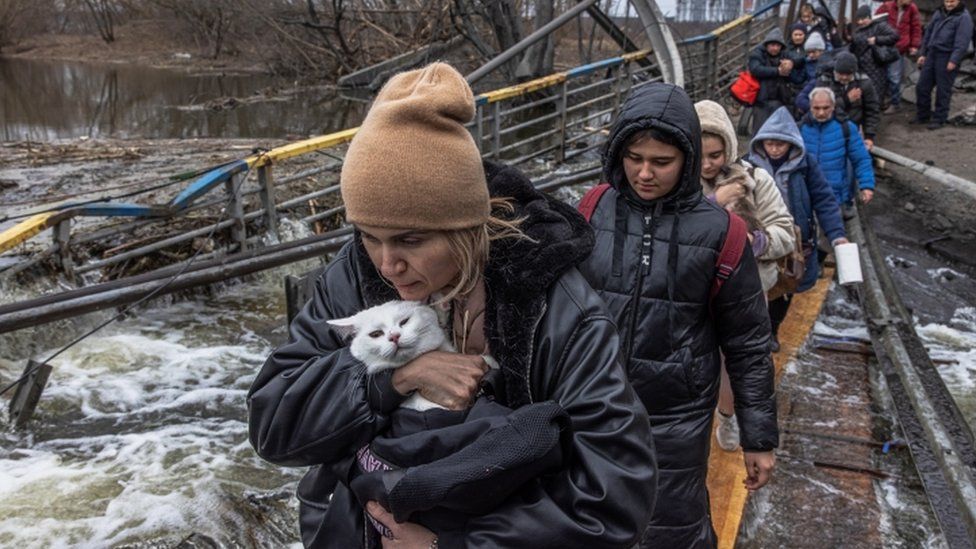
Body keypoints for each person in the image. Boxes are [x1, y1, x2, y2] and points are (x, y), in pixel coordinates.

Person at [247, 63, 657, 549]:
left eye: (410, 240)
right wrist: (393, 379)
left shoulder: (557, 306)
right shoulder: (351, 275)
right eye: (368, 235)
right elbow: (274, 427)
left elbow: (615, 496)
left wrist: (458, 545)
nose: (387, 264)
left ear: (465, 229)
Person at [578, 83, 779, 548]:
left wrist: (758, 438)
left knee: (669, 526)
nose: (644, 173)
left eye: (661, 162)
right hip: (592, 403)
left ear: (687, 158)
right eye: (633, 158)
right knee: (590, 520)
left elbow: (748, 344)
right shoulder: (593, 208)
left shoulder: (721, 232)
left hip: (675, 415)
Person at [695, 99, 796, 452]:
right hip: (693, 290)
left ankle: (727, 415)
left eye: (716, 155)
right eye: (700, 155)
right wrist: (715, 202)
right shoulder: (677, 182)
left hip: (746, 289)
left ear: (730, 149)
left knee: (731, 359)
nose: (707, 165)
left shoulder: (756, 180)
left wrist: (755, 242)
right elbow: (673, 234)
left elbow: (785, 231)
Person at [745, 106, 848, 359]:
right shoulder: (748, 167)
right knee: (757, 286)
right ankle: (754, 332)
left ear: (790, 144)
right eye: (770, 144)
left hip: (794, 240)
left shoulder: (804, 165)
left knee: (786, 285)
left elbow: (823, 199)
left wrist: (837, 234)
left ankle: (772, 330)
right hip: (760, 238)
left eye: (780, 144)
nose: (775, 149)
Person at [800, 87, 876, 206]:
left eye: (826, 108)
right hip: (806, 194)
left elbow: (861, 159)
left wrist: (866, 185)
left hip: (835, 195)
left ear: (833, 106)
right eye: (816, 108)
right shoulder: (800, 128)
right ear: (810, 106)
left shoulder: (846, 128)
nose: (821, 112)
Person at [796, 52, 881, 149]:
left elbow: (872, 109)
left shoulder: (864, 82)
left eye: (848, 74)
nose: (844, 77)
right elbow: (822, 108)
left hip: (854, 127)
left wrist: (869, 136)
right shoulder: (825, 80)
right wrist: (846, 100)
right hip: (829, 128)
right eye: (841, 74)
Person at [915, 0, 974, 130]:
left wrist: (954, 60)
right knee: (922, 87)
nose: (949, 4)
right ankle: (922, 115)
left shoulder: (963, 17)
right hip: (932, 54)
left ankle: (939, 118)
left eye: (952, 1)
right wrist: (923, 53)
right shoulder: (939, 12)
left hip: (946, 55)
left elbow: (962, 42)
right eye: (947, 1)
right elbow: (928, 33)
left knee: (943, 90)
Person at [875, 0, 923, 112]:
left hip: (899, 48)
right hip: (884, 45)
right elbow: (875, 22)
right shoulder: (887, 6)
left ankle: (894, 103)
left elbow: (916, 27)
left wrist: (914, 45)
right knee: (881, 75)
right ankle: (880, 101)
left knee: (894, 77)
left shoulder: (912, 8)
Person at [850, 5, 901, 108]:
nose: (860, 22)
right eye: (859, 19)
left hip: (876, 66)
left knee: (876, 93)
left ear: (869, 17)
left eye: (863, 19)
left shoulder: (880, 26)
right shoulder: (858, 31)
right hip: (862, 67)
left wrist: (877, 40)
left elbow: (894, 36)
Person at [750, 28, 797, 132]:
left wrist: (791, 63)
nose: (775, 48)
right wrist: (777, 71)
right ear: (766, 45)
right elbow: (755, 69)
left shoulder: (785, 54)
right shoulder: (757, 53)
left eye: (778, 46)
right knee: (759, 131)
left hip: (780, 100)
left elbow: (799, 59)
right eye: (772, 45)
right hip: (761, 101)